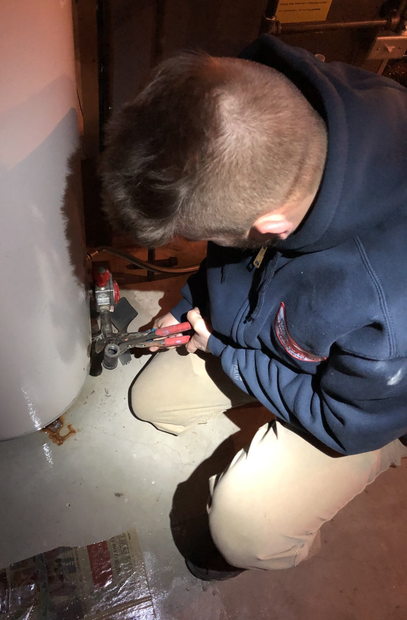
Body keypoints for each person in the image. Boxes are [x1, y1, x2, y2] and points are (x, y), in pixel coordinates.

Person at [100, 34, 407, 581]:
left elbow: (346, 424)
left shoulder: (390, 305)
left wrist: (224, 349)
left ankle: (290, 515)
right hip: (278, 328)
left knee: (245, 530)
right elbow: (233, 244)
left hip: (365, 408)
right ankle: (272, 408)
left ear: (272, 226)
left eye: (198, 237)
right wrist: (193, 303)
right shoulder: (259, 114)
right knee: (155, 402)